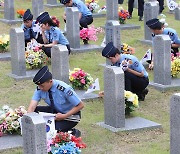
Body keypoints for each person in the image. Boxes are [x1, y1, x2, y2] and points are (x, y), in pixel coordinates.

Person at [27, 66, 84, 137]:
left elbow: (80, 105)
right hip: (55, 112)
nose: (40, 88)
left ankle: (71, 132)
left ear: (50, 82)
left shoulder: (64, 89)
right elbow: (32, 107)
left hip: (70, 116)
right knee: (34, 112)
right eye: (39, 86)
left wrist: (64, 116)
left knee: (51, 132)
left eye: (42, 86)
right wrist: (27, 121)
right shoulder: (40, 89)